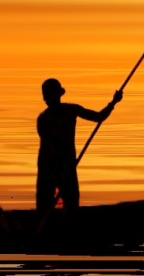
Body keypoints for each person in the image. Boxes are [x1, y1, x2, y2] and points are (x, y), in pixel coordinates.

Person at [36, 76, 122, 219]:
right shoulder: (44, 119)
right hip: (49, 167)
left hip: (64, 166)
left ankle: (63, 228)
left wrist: (113, 102)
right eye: (49, 96)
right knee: (46, 208)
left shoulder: (70, 110)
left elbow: (99, 117)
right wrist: (63, 167)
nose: (50, 99)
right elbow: (49, 144)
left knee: (70, 206)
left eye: (52, 96)